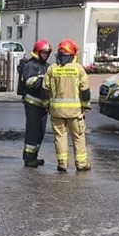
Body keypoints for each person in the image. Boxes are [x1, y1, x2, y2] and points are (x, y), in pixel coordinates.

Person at [43, 39, 91, 172]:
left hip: (56, 111)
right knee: (78, 137)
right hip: (75, 112)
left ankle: (62, 164)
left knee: (60, 137)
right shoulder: (78, 69)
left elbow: (45, 90)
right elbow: (85, 90)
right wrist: (86, 105)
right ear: (73, 55)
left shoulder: (52, 69)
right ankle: (81, 164)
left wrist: (47, 106)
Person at [18, 39, 53, 167]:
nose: (45, 55)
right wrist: (44, 79)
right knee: (33, 131)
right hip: (33, 104)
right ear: (37, 52)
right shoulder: (31, 65)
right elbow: (30, 82)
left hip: (43, 105)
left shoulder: (47, 66)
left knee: (41, 132)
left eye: (47, 53)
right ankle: (28, 158)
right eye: (43, 52)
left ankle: (34, 156)